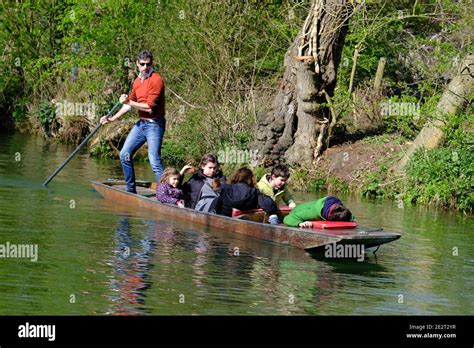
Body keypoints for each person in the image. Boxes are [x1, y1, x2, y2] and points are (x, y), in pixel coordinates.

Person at [100, 50, 166, 193]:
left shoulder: (156, 80)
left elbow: (148, 107)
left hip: (155, 124)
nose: (145, 67)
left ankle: (166, 193)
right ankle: (130, 190)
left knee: (154, 160)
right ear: (137, 64)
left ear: (151, 64)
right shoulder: (137, 81)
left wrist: (129, 101)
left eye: (148, 64)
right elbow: (129, 105)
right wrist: (110, 119)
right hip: (142, 124)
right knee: (124, 154)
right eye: (142, 64)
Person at [283, 196, 353, 227]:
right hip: (296, 213)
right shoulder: (312, 213)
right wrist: (299, 223)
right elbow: (287, 218)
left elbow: (349, 215)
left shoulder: (339, 207)